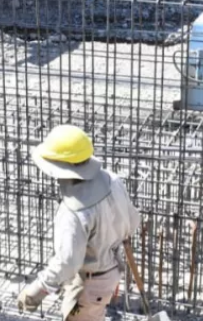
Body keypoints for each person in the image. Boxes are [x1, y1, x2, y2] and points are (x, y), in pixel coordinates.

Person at [17, 125, 141, 321]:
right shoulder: (112, 180)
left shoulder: (73, 212)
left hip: (91, 285)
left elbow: (67, 262)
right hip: (112, 270)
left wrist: (37, 290)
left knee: (80, 315)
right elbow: (133, 221)